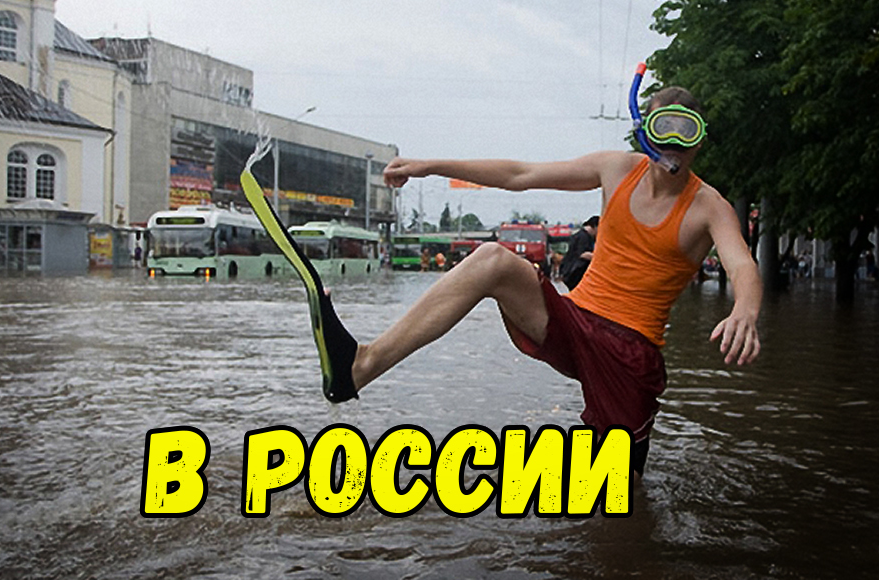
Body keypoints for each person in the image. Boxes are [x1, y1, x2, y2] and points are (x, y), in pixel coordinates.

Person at [313, 88, 761, 479]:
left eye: (689, 133)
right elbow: (520, 175)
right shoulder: (616, 168)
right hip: (573, 319)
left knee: (621, 496)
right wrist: (430, 165)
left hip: (629, 354)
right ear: (645, 131)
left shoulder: (709, 206)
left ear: (700, 141)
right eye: (666, 129)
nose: (675, 146)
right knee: (492, 260)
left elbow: (742, 265)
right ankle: (360, 366)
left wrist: (745, 309)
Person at [559, 214, 599, 291]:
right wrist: (601, 258)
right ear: (595, 226)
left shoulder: (581, 235)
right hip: (575, 273)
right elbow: (583, 254)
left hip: (570, 272)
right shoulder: (583, 237)